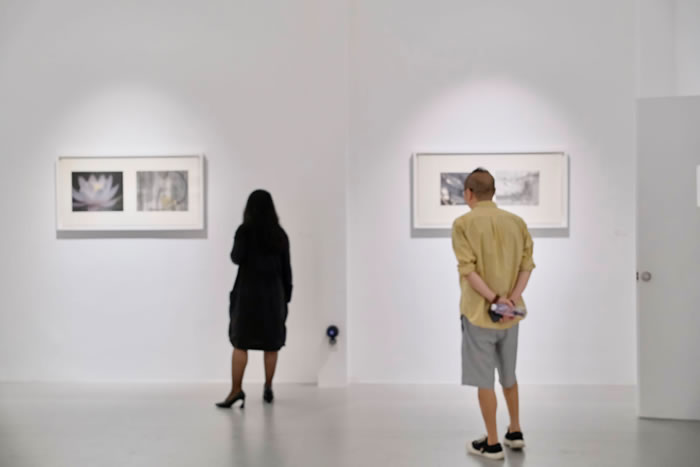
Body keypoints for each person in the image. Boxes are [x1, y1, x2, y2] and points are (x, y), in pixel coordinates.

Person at [451, 168, 535, 460]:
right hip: (511, 316)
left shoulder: (463, 224)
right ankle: (515, 430)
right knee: (509, 375)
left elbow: (468, 270)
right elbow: (527, 266)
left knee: (484, 381)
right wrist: (510, 301)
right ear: (494, 192)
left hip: (478, 314)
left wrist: (495, 299)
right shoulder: (516, 222)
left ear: (469, 193)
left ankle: (493, 443)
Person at [216, 190, 293, 409]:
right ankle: (268, 387)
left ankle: (236, 390)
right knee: (271, 345)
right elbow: (286, 269)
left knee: (240, 344)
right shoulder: (279, 234)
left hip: (247, 296)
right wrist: (287, 296)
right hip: (273, 296)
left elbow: (235, 258)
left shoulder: (244, 231)